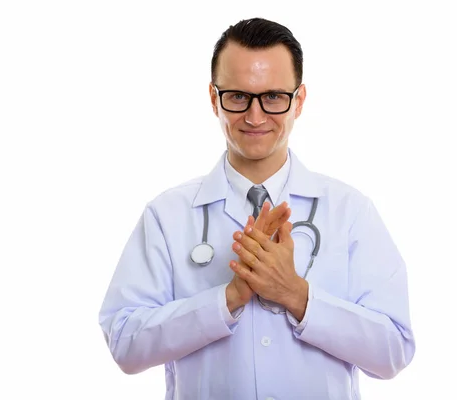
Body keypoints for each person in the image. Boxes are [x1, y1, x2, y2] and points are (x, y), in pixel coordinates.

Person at [98, 17, 415, 399]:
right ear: (214, 98)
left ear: (298, 101)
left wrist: (296, 295)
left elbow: (394, 352)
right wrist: (227, 299)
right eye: (237, 96)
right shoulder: (167, 216)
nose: (254, 116)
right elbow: (124, 345)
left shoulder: (350, 212)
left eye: (274, 97)